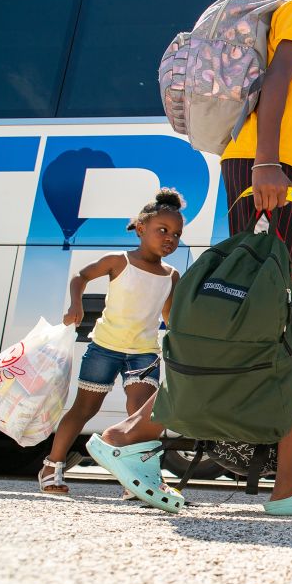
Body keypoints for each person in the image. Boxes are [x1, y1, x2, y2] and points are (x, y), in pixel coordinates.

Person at [88, 0, 292, 516]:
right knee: (291, 317)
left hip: (286, 174)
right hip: (273, 171)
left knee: (287, 320)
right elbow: (276, 80)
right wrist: (267, 164)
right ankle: (287, 480)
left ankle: (139, 435)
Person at [38, 189, 183, 494]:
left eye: (176, 234)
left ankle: (140, 477)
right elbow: (80, 276)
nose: (170, 238)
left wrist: (180, 338)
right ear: (141, 228)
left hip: (144, 353)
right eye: (163, 230)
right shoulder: (119, 261)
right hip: (105, 348)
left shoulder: (171, 276)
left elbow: (169, 317)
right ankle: (52, 466)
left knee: (142, 416)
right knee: (83, 410)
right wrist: (75, 306)